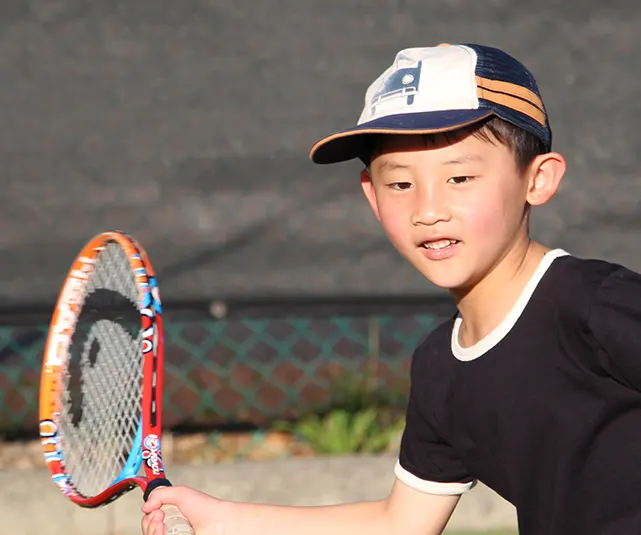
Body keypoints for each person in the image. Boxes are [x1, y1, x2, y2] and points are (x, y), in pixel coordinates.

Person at [142, 43, 641, 535]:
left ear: (538, 179)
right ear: (372, 197)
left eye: (460, 177)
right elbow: (400, 523)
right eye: (401, 185)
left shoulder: (597, 304)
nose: (428, 210)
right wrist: (222, 519)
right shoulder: (439, 369)